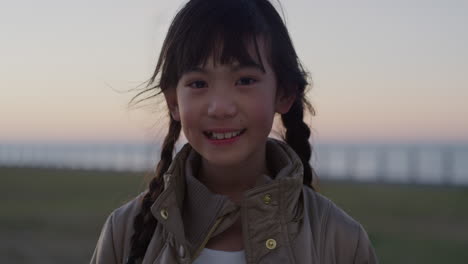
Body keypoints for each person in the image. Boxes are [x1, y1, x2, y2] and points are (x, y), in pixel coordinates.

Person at [91, 0, 378, 263]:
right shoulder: (125, 231)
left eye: (245, 80)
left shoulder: (340, 240)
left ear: (284, 93)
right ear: (173, 102)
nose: (220, 108)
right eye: (199, 83)